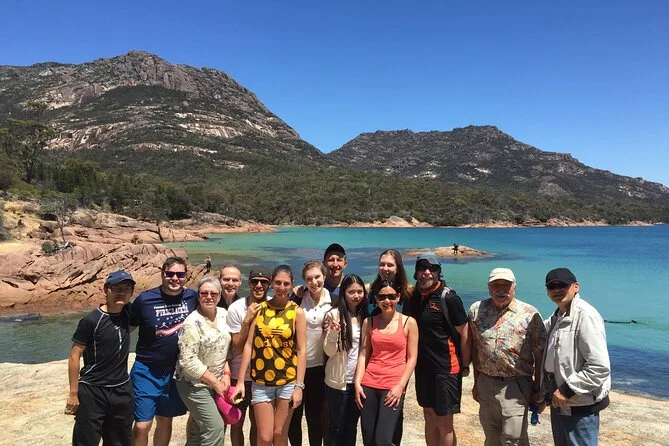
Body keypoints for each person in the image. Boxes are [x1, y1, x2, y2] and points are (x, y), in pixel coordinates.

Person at [469, 268, 547, 446]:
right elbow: (475, 347)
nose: (501, 289)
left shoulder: (530, 313)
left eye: (506, 285)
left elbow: (540, 354)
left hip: (516, 385)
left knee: (514, 439)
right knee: (491, 437)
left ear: (514, 287)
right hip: (486, 383)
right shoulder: (476, 310)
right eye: (496, 285)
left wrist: (538, 389)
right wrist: (476, 382)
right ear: (489, 287)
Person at [231, 265, 307, 446]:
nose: (281, 287)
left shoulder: (297, 312)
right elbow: (249, 345)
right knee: (265, 437)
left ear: (291, 284)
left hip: (287, 381)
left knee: (279, 434)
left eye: (286, 284)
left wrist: (299, 386)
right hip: (261, 382)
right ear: (272, 283)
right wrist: (240, 381)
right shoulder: (260, 309)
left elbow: (301, 350)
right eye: (278, 283)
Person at [130, 256, 198, 446]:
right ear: (162, 274)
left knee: (165, 420)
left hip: (175, 372)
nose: (175, 278)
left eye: (180, 275)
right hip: (147, 370)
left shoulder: (192, 297)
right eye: (170, 274)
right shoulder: (145, 300)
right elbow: (126, 328)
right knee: (142, 424)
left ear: (186, 276)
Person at [541, 268, 610, 446]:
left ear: (576, 287)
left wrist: (566, 390)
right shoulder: (558, 316)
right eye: (552, 286)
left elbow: (599, 367)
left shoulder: (585, 315)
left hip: (578, 403)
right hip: (559, 399)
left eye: (562, 285)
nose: (557, 290)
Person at [407, 253, 470, 446]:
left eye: (432, 268)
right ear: (416, 272)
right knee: (428, 416)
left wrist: (465, 365)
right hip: (423, 369)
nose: (427, 272)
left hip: (446, 369)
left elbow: (465, 333)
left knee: (444, 423)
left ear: (438, 272)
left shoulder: (448, 298)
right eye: (422, 267)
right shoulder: (413, 297)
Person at [67, 270, 135, 446]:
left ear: (131, 292)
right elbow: (75, 354)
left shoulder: (128, 312)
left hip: (121, 389)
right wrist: (73, 393)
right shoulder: (91, 320)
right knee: (86, 440)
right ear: (106, 290)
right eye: (116, 288)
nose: (121, 293)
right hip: (93, 390)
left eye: (126, 289)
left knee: (120, 440)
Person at [355, 280, 418, 446]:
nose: (387, 301)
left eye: (391, 296)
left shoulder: (409, 322)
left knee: (383, 440)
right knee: (369, 440)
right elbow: (363, 354)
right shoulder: (369, 322)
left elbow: (412, 358)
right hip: (368, 384)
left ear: (398, 297)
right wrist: (357, 383)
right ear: (376, 299)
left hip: (392, 387)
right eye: (382, 297)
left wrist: (400, 386)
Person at [176, 276, 233, 446]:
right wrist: (215, 383)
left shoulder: (224, 315)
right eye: (204, 293)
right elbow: (188, 361)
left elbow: (226, 348)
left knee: (197, 431)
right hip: (194, 385)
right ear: (198, 295)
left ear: (219, 295)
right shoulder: (192, 323)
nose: (209, 297)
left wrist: (226, 373)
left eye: (213, 294)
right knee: (214, 428)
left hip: (217, 382)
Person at [366, 248, 413, 444]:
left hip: (397, 364)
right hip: (373, 363)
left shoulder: (409, 293)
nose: (385, 268)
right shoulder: (370, 291)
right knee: (372, 424)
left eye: (390, 265)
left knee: (394, 416)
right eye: (382, 264)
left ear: (398, 267)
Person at [226, 266, 273, 446]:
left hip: (263, 377)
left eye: (264, 282)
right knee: (236, 422)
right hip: (239, 375)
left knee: (258, 424)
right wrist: (247, 320)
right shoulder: (236, 308)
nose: (259, 285)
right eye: (255, 282)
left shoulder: (273, 305)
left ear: (269, 285)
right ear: (249, 283)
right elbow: (238, 346)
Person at [289, 262, 332, 446]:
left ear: (324, 277)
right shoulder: (298, 299)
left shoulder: (334, 301)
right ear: (304, 281)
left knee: (315, 418)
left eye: (317, 277)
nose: (314, 282)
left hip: (319, 368)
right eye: (309, 279)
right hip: (295, 367)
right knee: (294, 417)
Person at [323, 274, 368, 446]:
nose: (356, 296)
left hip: (358, 381)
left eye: (359, 292)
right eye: (351, 292)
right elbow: (328, 351)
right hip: (338, 382)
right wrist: (334, 333)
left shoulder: (366, 316)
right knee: (336, 427)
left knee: (351, 426)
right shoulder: (334, 314)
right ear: (343, 293)